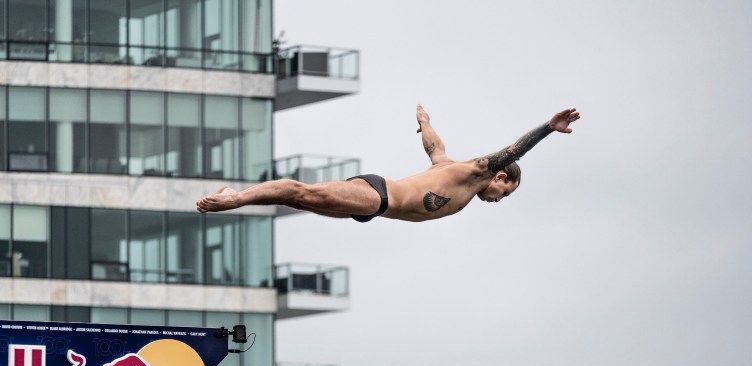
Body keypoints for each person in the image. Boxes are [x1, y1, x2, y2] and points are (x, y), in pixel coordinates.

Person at [195, 105, 580, 222]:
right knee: (302, 192)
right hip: (379, 196)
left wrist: (426, 123)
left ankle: (239, 196)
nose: (498, 198)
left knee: (297, 200)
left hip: (376, 204)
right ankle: (234, 198)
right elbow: (514, 150)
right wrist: (548, 127)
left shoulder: (451, 170)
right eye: (504, 191)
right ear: (498, 176)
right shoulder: (475, 171)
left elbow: (435, 149)